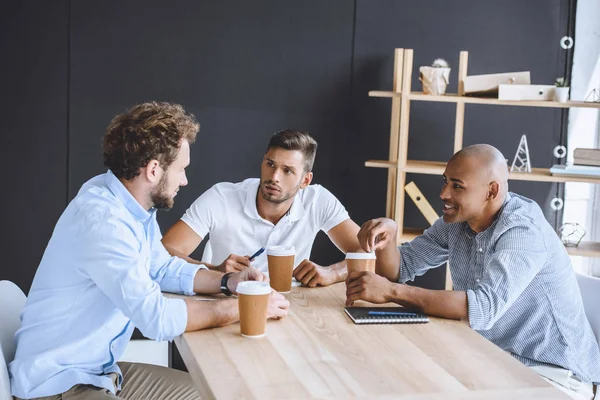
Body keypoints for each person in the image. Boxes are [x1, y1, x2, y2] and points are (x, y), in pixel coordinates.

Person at [10, 102, 289, 400]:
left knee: (210, 395)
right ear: (154, 169)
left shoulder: (129, 204)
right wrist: (241, 308)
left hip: (100, 372)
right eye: (181, 170)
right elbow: (156, 319)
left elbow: (159, 267)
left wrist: (226, 282)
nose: (184, 180)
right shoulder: (104, 221)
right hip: (59, 384)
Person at [348, 144, 600, 400]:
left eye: (457, 186)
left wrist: (391, 292)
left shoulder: (522, 231)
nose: (443, 193)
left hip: (555, 376)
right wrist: (388, 238)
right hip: (494, 361)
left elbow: (482, 307)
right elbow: (400, 268)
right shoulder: (458, 222)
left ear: (492, 190)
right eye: (445, 181)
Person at [162, 129, 362, 287]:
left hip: (291, 304)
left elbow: (367, 252)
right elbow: (164, 251)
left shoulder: (318, 201)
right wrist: (214, 270)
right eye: (270, 164)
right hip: (225, 297)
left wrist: (333, 273)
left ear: (305, 180)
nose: (274, 177)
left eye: (288, 171)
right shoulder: (221, 197)